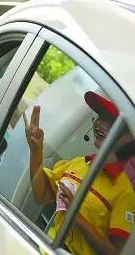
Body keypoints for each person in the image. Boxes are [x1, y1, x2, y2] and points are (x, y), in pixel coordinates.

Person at [25, 91, 135, 255]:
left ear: (128, 137)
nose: (99, 124)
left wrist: (76, 217)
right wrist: (36, 150)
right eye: (99, 116)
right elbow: (41, 195)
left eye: (110, 121)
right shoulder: (78, 163)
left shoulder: (125, 193)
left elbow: (116, 253)